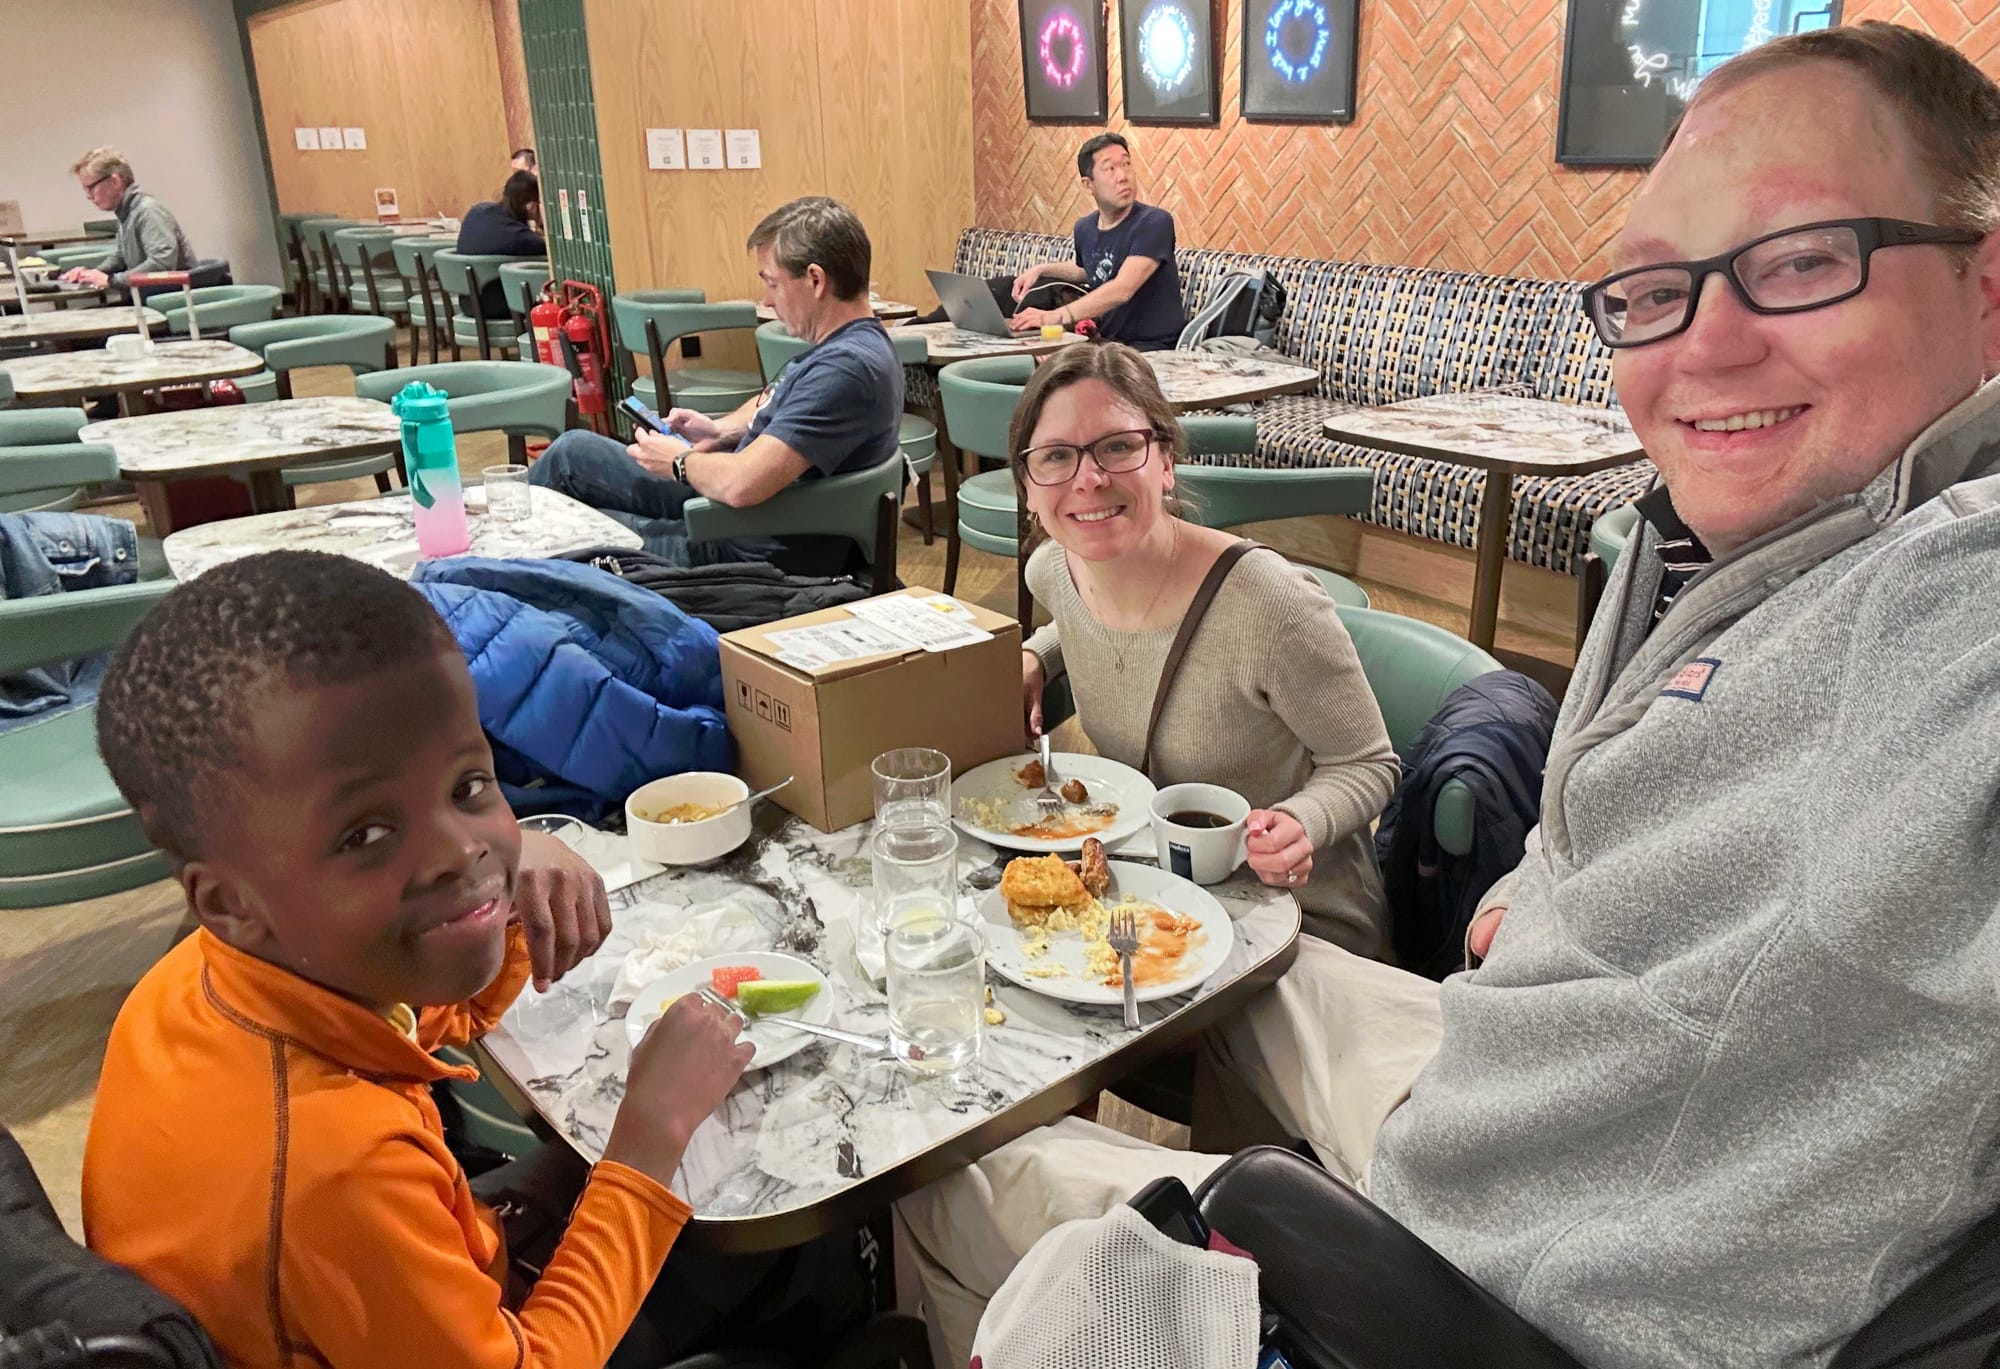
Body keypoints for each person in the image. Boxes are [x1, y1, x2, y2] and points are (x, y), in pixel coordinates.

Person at [901, 21, 2000, 1369]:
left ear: (1987, 284)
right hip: (1513, 1078)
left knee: (950, 1173)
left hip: (1499, 1275)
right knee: (1245, 986)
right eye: (1653, 288)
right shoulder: (1702, 548)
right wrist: (1540, 878)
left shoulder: (1953, 606)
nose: (1706, 344)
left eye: (1803, 261)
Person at [81, 550, 754, 1366]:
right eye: (365, 833)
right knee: (772, 1261)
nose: (461, 849)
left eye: (469, 786)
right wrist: (649, 1134)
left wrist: (511, 909)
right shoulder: (337, 1169)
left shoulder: (208, 973)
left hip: (410, 1291)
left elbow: (412, 1016)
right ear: (229, 901)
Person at [1015, 343, 1398, 954]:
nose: (1089, 478)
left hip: (1291, 917)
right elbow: (1102, 625)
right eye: (1056, 456)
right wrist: (1039, 654)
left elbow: (1368, 763)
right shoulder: (1054, 571)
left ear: (1165, 461)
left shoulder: (1269, 604)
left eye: (1119, 446)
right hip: (1159, 896)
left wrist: (1301, 822)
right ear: (1029, 488)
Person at [529, 195, 903, 571]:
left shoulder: (845, 370)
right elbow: (777, 401)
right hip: (737, 512)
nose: (767, 301)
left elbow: (742, 484)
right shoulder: (853, 346)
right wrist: (720, 430)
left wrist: (679, 462)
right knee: (570, 454)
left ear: (816, 280)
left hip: (737, 546)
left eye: (773, 284)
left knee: (560, 530)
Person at [1008, 132, 1186, 350]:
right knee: (1028, 357)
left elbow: (1122, 289)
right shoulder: (1085, 227)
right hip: (1105, 345)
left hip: (1152, 349)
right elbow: (1088, 269)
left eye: (1126, 164)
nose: (1123, 176)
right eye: (1110, 169)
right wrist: (1041, 270)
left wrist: (1053, 317)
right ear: (1088, 184)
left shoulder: (1154, 222)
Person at [57, 148, 196, 294]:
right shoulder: (127, 211)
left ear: (115, 181)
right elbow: (121, 257)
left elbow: (162, 264)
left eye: (90, 188)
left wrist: (112, 281)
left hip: (173, 299)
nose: (88, 196)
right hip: (148, 297)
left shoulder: (148, 211)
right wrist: (92, 274)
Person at [456, 169, 546, 318]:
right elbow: (547, 249)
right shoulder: (519, 237)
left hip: (468, 302)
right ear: (531, 206)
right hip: (497, 306)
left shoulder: (477, 212)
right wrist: (542, 222)